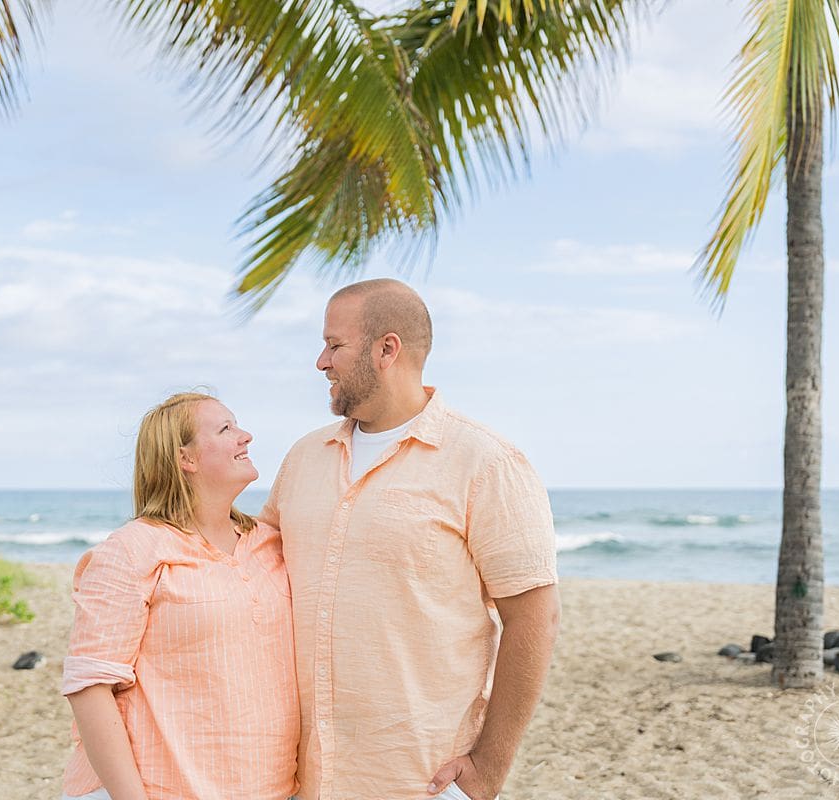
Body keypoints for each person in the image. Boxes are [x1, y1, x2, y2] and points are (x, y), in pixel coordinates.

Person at [259, 279, 561, 800]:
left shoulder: (485, 462)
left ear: (386, 349)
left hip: (419, 780)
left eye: (334, 345)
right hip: (301, 778)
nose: (320, 362)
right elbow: (251, 569)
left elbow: (535, 617)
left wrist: (488, 768)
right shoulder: (304, 457)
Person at [60, 392, 299, 800]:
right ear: (184, 459)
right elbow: (90, 687)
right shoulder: (132, 550)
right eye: (226, 429)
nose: (246, 436)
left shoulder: (272, 544)